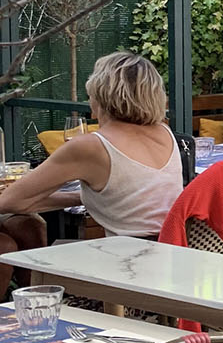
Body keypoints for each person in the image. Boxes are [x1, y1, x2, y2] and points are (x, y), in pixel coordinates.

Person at [0, 52, 182, 239]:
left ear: (100, 96)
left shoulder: (92, 146)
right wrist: (85, 197)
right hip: (175, 248)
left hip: (129, 253)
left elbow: (8, 201)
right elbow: (134, 197)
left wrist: (81, 198)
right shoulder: (164, 132)